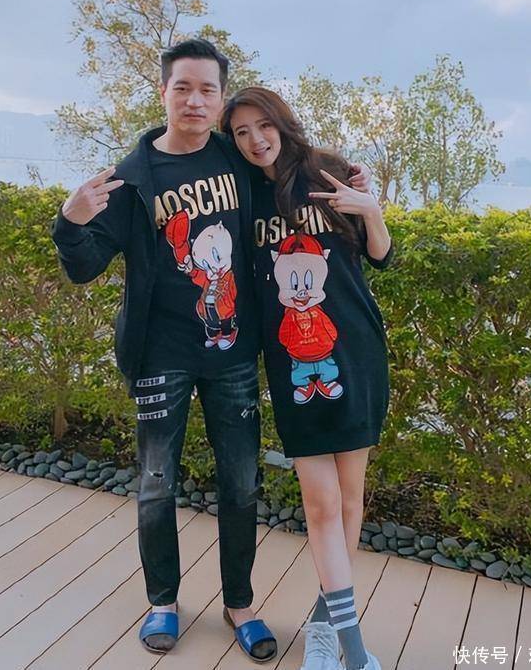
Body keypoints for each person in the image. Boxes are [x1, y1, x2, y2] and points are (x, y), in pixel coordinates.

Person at [52, 39, 278, 661]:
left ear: (221, 98)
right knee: (156, 484)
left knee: (241, 482)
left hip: (233, 351)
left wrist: (352, 190)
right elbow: (83, 266)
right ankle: (163, 602)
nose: (195, 100)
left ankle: (240, 604)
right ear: (163, 93)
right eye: (183, 88)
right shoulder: (132, 179)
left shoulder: (235, 160)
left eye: (208, 90)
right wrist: (71, 220)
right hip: (160, 355)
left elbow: (286, 171)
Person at [221, 87, 392, 670]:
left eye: (263, 125)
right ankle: (353, 649)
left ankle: (324, 626)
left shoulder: (327, 171)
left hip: (357, 353)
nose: (255, 140)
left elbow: (380, 256)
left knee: (349, 502)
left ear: (282, 123)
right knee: (321, 506)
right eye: (241, 132)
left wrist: (372, 209)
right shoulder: (243, 195)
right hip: (293, 364)